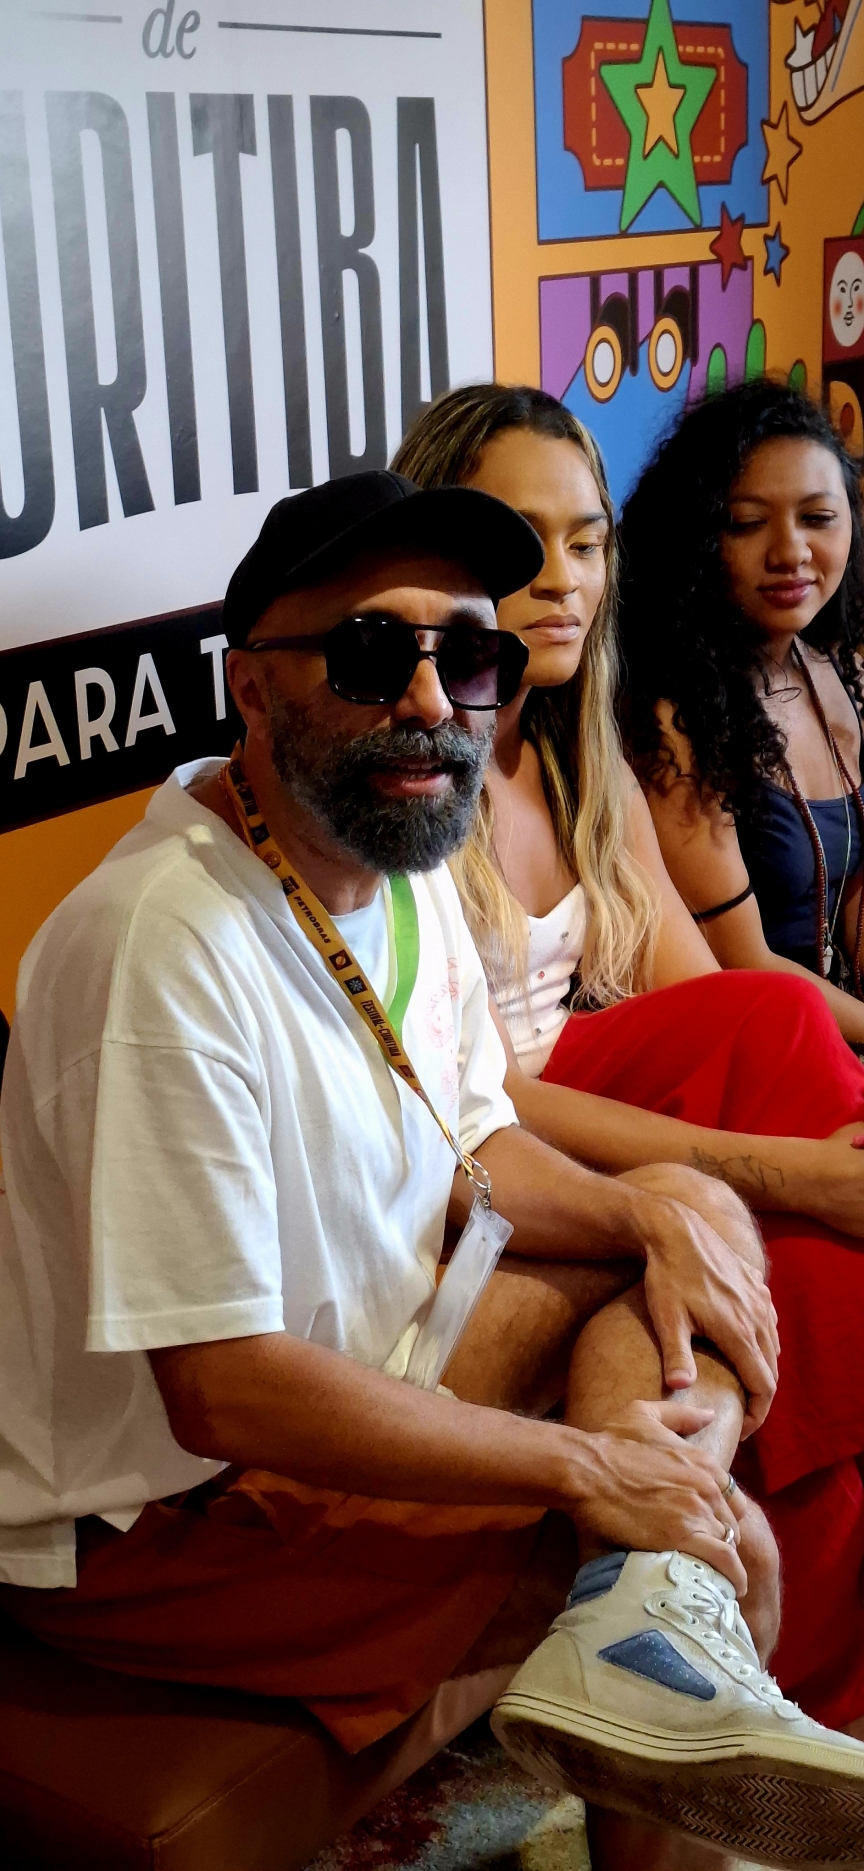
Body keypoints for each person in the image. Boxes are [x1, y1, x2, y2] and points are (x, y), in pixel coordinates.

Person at [1, 470, 859, 1871]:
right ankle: (652, 1618)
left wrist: (650, 1215)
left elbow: (480, 1141)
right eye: (366, 653)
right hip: (160, 1518)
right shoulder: (160, 947)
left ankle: (651, 1622)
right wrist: (588, 1467)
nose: (428, 699)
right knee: (689, 1548)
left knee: (688, 1217)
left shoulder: (389, 865)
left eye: (465, 655)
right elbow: (223, 1385)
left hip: (365, 1357)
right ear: (250, 688)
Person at [392, 384, 864, 1768]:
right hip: (472, 1151)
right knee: (789, 1086)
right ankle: (806, 1678)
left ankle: (744, 1677)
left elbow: (701, 991)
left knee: (795, 1156)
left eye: (588, 542)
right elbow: (469, 1095)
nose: (565, 579)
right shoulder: (406, 762)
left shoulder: (575, 740)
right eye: (524, 541)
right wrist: (793, 1166)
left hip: (587, 1106)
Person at [617, 377, 864, 1046]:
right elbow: (741, 961)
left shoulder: (838, 671)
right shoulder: (673, 717)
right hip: (760, 1044)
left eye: (818, 518)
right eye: (748, 523)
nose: (790, 553)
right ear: (695, 538)